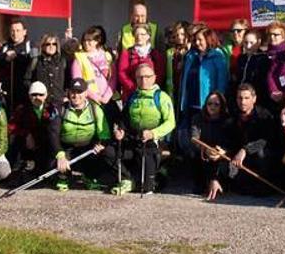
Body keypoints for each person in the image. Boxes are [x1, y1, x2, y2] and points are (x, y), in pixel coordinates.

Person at [205, 83, 282, 200]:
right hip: (238, 162)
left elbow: (266, 140)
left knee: (261, 153)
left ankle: (261, 187)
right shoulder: (231, 118)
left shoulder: (265, 116)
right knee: (218, 156)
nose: (243, 102)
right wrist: (221, 152)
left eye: (246, 98)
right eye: (240, 98)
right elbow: (226, 143)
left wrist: (245, 150)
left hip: (260, 162)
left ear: (254, 99)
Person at [119, 63, 177, 193]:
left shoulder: (161, 97)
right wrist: (120, 130)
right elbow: (124, 118)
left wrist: (153, 133)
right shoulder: (133, 97)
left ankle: (157, 174)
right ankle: (128, 178)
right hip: (134, 139)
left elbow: (170, 123)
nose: (143, 80)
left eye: (147, 77)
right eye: (139, 77)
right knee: (110, 152)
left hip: (153, 141)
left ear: (154, 78)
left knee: (147, 188)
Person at [56, 78, 117, 191]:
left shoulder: (95, 108)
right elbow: (53, 134)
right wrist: (60, 155)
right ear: (69, 92)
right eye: (73, 92)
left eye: (79, 92)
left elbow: (104, 134)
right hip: (68, 147)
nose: (76, 95)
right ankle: (64, 176)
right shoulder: (62, 108)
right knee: (55, 158)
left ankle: (91, 176)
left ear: (85, 93)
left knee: (108, 153)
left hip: (87, 147)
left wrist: (101, 144)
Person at [178, 27, 229, 119]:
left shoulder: (217, 57)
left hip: (208, 105)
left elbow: (222, 82)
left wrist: (217, 102)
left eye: (200, 40)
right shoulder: (191, 56)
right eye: (196, 40)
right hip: (190, 104)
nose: (197, 43)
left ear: (208, 40)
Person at [190, 91, 233, 195]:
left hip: (222, 155)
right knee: (193, 155)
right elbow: (194, 139)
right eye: (209, 103)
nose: (212, 106)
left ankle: (219, 182)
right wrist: (205, 149)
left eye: (216, 104)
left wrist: (223, 152)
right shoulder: (197, 118)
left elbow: (232, 141)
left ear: (222, 106)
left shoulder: (229, 120)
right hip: (204, 153)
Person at [15, 81, 61, 178]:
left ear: (46, 95)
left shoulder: (52, 109)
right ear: (29, 96)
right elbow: (11, 127)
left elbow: (53, 132)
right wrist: (26, 134)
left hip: (45, 144)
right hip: (28, 144)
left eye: (41, 94)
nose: (37, 97)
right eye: (34, 94)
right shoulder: (21, 109)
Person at [0, 18, 32, 113]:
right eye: (12, 31)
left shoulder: (30, 46)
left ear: (24, 32)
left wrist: (19, 57)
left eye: (18, 30)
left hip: (24, 90)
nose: (15, 34)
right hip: (7, 92)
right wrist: (5, 59)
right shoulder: (4, 47)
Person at [117, 24, 166, 97]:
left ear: (148, 36)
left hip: (152, 94)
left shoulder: (155, 54)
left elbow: (160, 73)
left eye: (142, 34)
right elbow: (122, 73)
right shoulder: (126, 54)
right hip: (131, 95)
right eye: (136, 34)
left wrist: (150, 87)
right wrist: (134, 88)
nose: (139, 37)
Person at [72, 26, 115, 105]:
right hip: (90, 100)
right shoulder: (79, 58)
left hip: (108, 99)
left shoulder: (107, 56)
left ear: (97, 41)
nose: (86, 43)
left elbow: (113, 78)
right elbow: (78, 82)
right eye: (84, 40)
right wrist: (95, 97)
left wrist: (107, 96)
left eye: (89, 40)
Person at [231, 29, 272, 109]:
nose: (248, 46)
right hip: (240, 96)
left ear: (258, 42)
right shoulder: (241, 58)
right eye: (246, 43)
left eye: (251, 43)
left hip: (257, 97)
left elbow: (263, 81)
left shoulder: (263, 58)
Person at [28, 33, 68, 108]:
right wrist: (35, 94)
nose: (51, 46)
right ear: (43, 46)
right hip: (41, 103)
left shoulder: (62, 61)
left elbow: (68, 80)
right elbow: (27, 79)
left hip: (59, 103)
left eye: (54, 44)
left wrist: (66, 96)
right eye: (48, 44)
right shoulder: (36, 61)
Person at [164, 21, 192, 99]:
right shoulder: (171, 52)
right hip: (175, 88)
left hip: (188, 88)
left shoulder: (192, 52)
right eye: (177, 35)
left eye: (182, 34)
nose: (179, 37)